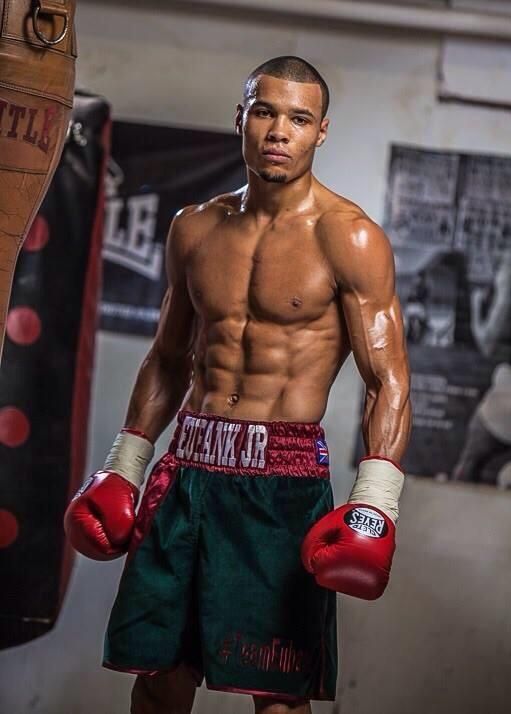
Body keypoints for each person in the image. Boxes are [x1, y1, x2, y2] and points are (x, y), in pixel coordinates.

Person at [65, 56, 412, 714]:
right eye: (265, 111)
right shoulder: (194, 226)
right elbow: (169, 357)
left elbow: (389, 379)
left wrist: (375, 505)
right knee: (159, 680)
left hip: (281, 486)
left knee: (277, 697)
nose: (280, 130)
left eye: (299, 118)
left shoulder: (351, 237)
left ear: (320, 132)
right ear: (243, 119)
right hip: (187, 472)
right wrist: (125, 466)